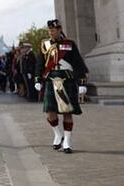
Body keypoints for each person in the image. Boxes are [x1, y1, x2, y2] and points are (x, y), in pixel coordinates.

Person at [35, 19, 88, 154]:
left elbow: (78, 63)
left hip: (67, 81)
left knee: (67, 112)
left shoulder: (69, 44)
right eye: (50, 30)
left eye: (54, 30)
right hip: (50, 81)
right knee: (50, 111)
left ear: (59, 30)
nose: (51, 33)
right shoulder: (45, 45)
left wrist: (82, 82)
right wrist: (37, 79)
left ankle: (67, 141)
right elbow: (40, 64)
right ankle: (58, 134)